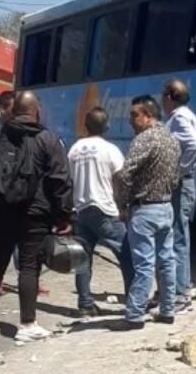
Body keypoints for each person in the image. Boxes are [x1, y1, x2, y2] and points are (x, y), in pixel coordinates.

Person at [0, 91, 74, 342]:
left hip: (1, 212)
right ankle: (27, 325)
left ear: (13, 109)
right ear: (36, 111)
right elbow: (60, 180)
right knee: (30, 266)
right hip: (35, 214)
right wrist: (64, 216)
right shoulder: (48, 140)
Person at [109, 95, 181, 331]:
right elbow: (176, 175)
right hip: (166, 207)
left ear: (148, 115)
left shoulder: (144, 140)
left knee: (143, 265)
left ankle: (135, 315)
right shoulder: (172, 140)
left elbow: (124, 174)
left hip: (144, 210)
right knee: (167, 262)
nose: (130, 120)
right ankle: (168, 310)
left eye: (134, 115)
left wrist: (122, 204)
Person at [68, 106, 133, 317]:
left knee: (82, 260)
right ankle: (133, 301)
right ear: (106, 127)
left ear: (85, 125)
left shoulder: (74, 149)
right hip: (105, 210)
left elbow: (69, 181)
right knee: (126, 254)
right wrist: (123, 207)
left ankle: (85, 305)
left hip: (81, 210)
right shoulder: (110, 149)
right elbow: (120, 180)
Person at [160, 79, 196, 314]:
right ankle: (180, 290)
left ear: (169, 97)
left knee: (177, 239)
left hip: (181, 185)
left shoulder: (178, 117)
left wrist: (179, 171)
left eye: (162, 96)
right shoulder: (184, 115)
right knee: (180, 237)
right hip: (184, 183)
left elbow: (195, 146)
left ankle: (180, 294)